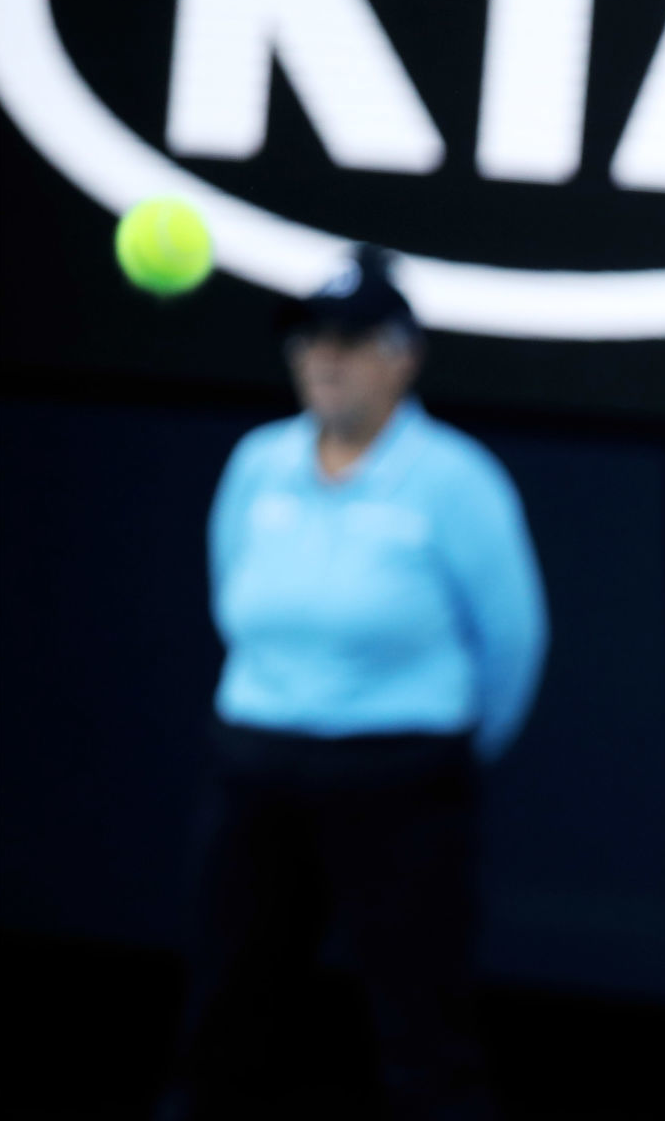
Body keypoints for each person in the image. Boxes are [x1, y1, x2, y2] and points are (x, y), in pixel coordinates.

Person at [163, 247, 549, 1120]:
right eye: (308, 338)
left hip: (400, 781)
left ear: (401, 354)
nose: (323, 358)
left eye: (348, 339)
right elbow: (234, 594)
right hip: (254, 770)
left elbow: (512, 642)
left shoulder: (457, 480)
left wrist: (433, 747)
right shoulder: (258, 462)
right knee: (225, 1009)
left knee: (422, 1023)